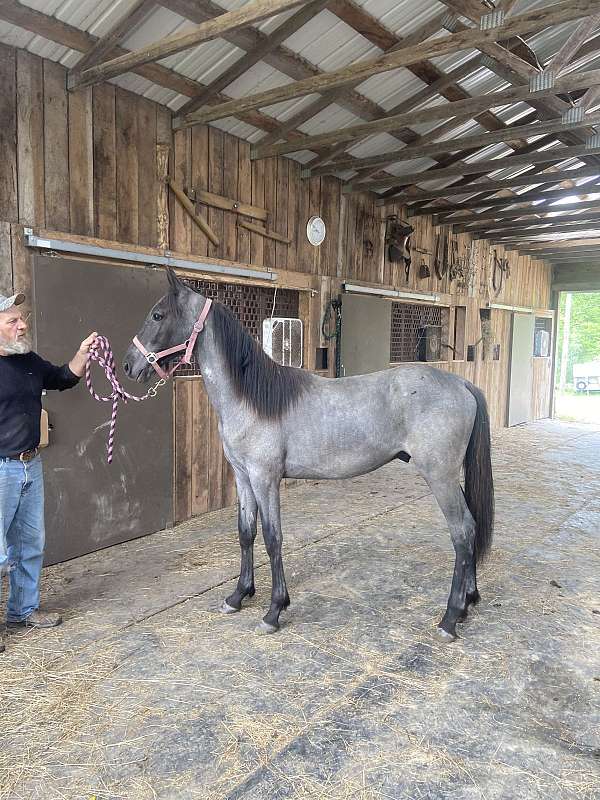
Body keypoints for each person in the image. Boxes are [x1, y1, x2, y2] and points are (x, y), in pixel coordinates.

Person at [0, 290, 96, 654]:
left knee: (29, 545)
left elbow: (62, 377)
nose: (23, 325)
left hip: (29, 465)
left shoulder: (27, 361)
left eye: (22, 319)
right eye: (12, 321)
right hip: (0, 469)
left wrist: (83, 353)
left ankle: (23, 611)